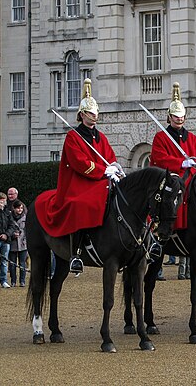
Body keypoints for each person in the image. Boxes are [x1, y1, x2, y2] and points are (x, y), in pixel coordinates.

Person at [34, 79, 125, 274]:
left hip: (102, 182)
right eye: (91, 113)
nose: (95, 116)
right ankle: (75, 252)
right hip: (80, 183)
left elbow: (109, 156)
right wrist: (103, 170)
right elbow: (79, 163)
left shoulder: (101, 137)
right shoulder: (73, 137)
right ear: (82, 115)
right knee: (79, 204)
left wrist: (113, 167)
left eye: (96, 112)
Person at [150, 82, 196, 262]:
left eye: (182, 116)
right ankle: (159, 236)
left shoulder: (191, 137)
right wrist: (181, 162)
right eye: (176, 116)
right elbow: (160, 158)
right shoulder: (161, 137)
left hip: (190, 177)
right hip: (170, 178)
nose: (179, 119)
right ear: (169, 117)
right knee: (171, 195)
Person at [8, 200, 28, 287]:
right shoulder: (9, 217)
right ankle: (13, 281)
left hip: (23, 243)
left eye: (21, 208)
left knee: (22, 263)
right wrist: (12, 234)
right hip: (12, 243)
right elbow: (7, 228)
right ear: (14, 208)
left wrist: (21, 235)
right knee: (12, 264)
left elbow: (28, 230)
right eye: (18, 208)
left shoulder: (25, 217)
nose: (20, 210)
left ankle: (22, 281)